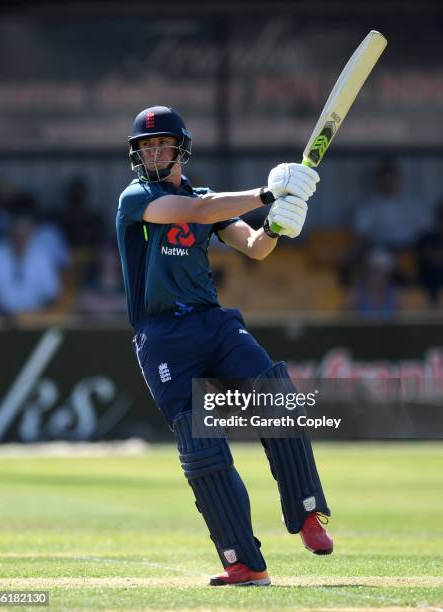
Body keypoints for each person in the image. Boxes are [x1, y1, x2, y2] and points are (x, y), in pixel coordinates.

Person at [116, 106, 332, 587]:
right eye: (145, 147)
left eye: (161, 144)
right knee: (202, 446)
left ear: (180, 149)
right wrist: (266, 192)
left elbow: (255, 247)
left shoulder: (200, 195)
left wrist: (276, 222)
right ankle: (245, 562)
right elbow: (198, 212)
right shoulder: (137, 198)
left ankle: (308, 513)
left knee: (277, 396)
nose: (153, 152)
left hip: (212, 322)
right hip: (164, 338)